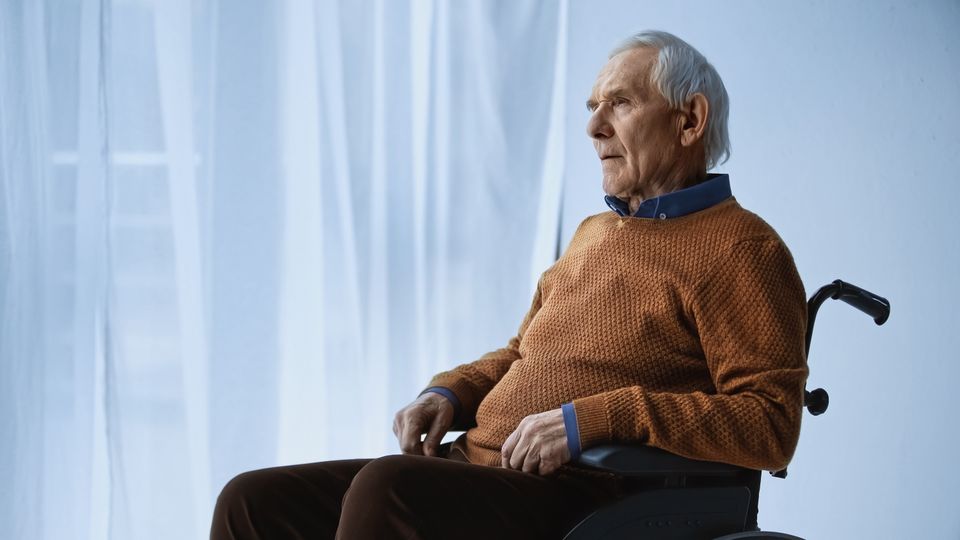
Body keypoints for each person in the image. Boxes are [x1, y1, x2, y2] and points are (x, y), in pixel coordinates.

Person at [210, 29, 808, 540]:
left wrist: (597, 418)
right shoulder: (595, 232)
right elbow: (523, 355)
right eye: (592, 106)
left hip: (593, 495)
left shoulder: (742, 249)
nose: (594, 127)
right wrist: (447, 394)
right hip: (481, 466)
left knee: (389, 488)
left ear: (689, 120)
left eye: (620, 104)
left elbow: (769, 424)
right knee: (253, 503)